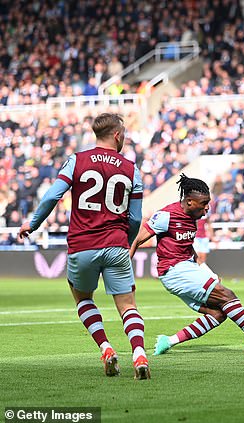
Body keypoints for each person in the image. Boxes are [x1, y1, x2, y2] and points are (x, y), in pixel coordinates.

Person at [18, 113, 149, 379]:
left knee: (83, 299)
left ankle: (106, 349)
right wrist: (126, 240)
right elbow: (135, 217)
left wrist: (33, 223)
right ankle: (139, 354)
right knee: (127, 306)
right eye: (123, 133)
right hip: (116, 244)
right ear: (116, 135)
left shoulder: (76, 161)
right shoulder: (131, 169)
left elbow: (54, 195)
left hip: (83, 244)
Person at [129, 174, 244, 355]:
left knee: (218, 313)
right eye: (204, 203)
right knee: (227, 295)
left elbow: (189, 249)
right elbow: (136, 240)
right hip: (174, 271)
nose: (207, 207)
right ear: (190, 201)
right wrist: (124, 270)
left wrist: (208, 272)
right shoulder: (165, 216)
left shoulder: (192, 216)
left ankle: (168, 341)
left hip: (186, 268)